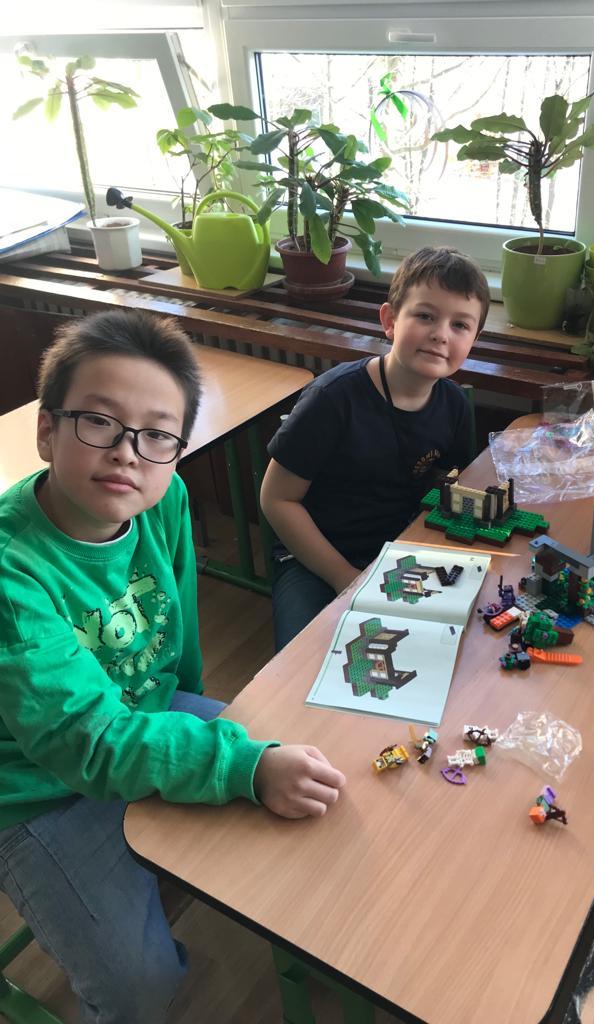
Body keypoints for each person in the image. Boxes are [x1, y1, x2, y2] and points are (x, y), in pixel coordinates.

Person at [0, 310, 345, 1024]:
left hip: (142, 720)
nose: (128, 453)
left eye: (156, 435)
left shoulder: (167, 500)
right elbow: (87, 743)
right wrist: (236, 766)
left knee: (311, 777)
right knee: (141, 985)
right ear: (47, 431)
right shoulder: (12, 571)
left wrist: (203, 718)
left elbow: (176, 635)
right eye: (99, 422)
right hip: (33, 788)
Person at [261, 246, 491, 651]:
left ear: (473, 340)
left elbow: (447, 487)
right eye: (425, 316)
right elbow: (276, 499)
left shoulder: (455, 405)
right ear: (389, 320)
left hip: (403, 552)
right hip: (316, 559)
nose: (441, 334)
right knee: (305, 663)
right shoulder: (332, 399)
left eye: (460, 325)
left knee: (456, 650)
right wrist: (345, 578)